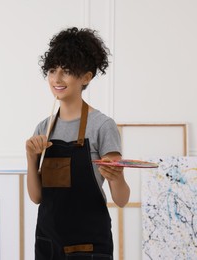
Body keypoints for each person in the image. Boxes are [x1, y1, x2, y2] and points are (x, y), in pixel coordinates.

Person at [25, 27, 130, 260]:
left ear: (86, 77)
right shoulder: (44, 129)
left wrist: (117, 176)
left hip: (89, 245)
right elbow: (36, 197)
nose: (57, 79)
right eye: (53, 70)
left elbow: (121, 200)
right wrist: (31, 158)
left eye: (67, 71)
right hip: (48, 242)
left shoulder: (102, 126)